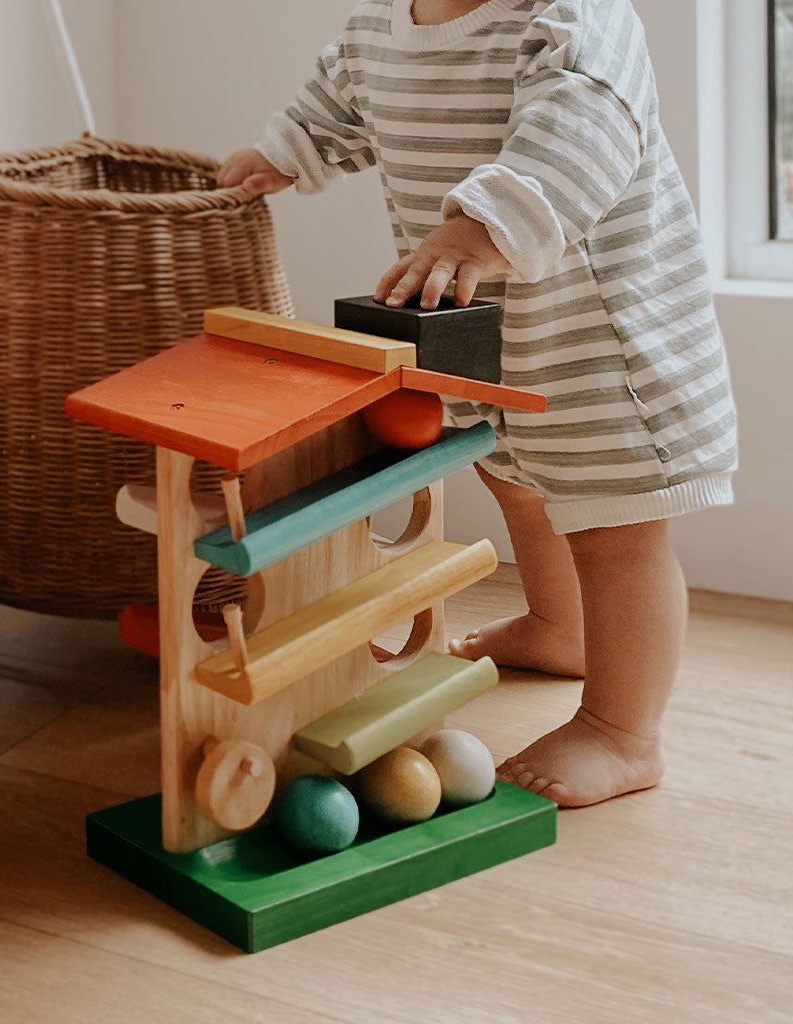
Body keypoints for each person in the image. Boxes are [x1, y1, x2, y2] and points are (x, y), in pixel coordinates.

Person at [218, 0, 738, 807]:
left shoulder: (575, 16)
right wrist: (284, 153)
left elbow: (583, 125)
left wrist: (479, 229)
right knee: (513, 479)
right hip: (488, 331)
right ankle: (560, 629)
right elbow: (339, 102)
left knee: (615, 527)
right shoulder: (379, 30)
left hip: (601, 339)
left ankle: (623, 731)